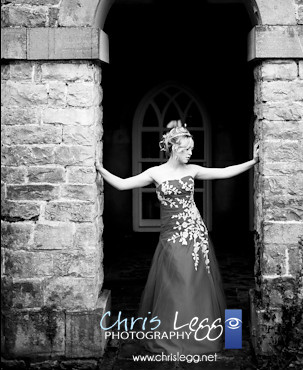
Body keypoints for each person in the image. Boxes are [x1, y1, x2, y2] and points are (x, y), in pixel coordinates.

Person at [96, 122, 259, 354]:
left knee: (196, 282)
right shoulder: (155, 173)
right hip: (171, 236)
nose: (191, 153)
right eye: (187, 149)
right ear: (173, 148)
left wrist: (252, 162)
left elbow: (223, 172)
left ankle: (198, 334)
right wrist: (100, 170)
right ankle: (174, 335)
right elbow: (123, 185)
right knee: (175, 282)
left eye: (192, 149)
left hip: (195, 233)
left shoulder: (192, 170)